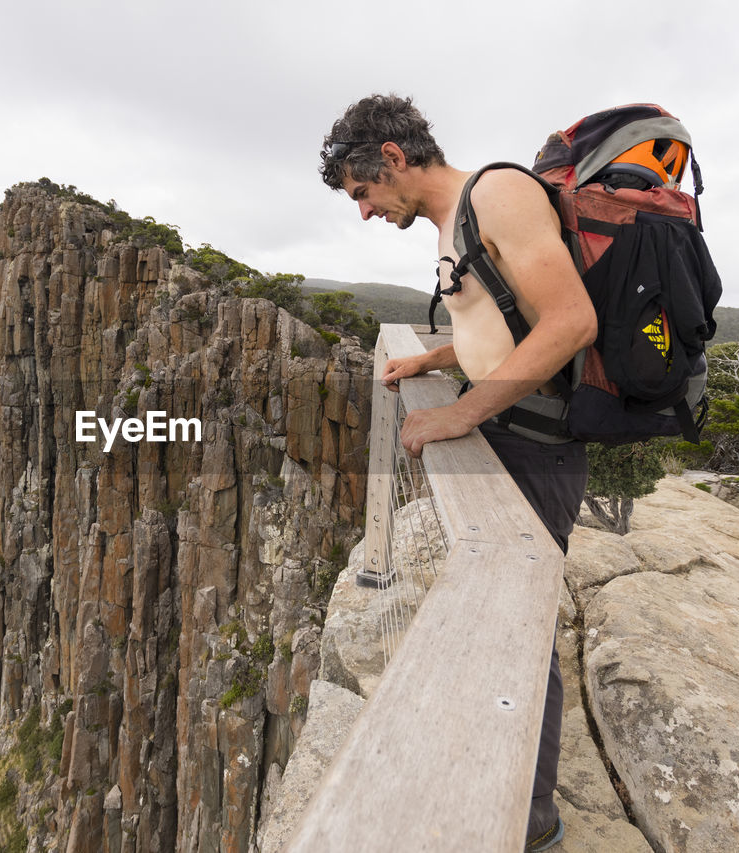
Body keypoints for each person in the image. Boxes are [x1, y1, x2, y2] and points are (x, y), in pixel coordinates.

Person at [320, 94, 596, 852]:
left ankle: (530, 822)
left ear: (392, 157)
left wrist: (460, 412)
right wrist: (435, 360)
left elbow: (571, 321)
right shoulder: (454, 222)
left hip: (535, 446)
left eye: (362, 192)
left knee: (521, 631)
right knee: (501, 619)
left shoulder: (499, 192)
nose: (366, 212)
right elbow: (496, 321)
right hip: (506, 434)